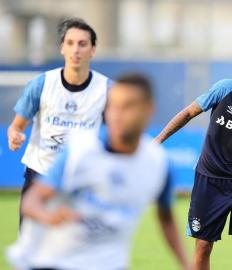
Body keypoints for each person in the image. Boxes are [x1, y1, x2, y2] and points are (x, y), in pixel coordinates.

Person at [7, 73, 191, 270]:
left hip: (109, 264)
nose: (117, 115)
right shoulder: (80, 151)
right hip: (52, 262)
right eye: (113, 106)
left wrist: (186, 264)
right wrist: (48, 216)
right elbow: (31, 201)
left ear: (148, 109)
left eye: (127, 106)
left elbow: (166, 217)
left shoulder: (159, 163)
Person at [155, 47, 232, 270]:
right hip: (209, 179)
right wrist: (158, 140)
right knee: (203, 247)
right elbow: (188, 113)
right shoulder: (226, 88)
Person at [7, 18, 112, 224]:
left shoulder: (108, 89)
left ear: (93, 50)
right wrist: (14, 135)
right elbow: (17, 125)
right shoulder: (41, 84)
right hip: (40, 174)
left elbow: (117, 134)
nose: (76, 50)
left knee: (76, 248)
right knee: (32, 248)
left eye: (83, 44)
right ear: (62, 48)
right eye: (70, 43)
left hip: (82, 180)